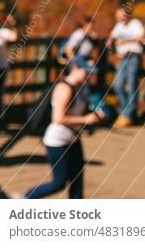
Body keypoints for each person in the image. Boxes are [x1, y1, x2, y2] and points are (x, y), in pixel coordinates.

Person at [21, 58, 102, 199]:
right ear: (75, 68)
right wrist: (85, 120)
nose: (89, 76)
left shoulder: (81, 86)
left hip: (73, 139)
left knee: (77, 180)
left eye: (91, 73)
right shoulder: (64, 88)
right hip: (57, 141)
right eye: (86, 72)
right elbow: (58, 118)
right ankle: (27, 198)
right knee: (59, 183)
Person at [106, 8, 145, 128]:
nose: (120, 20)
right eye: (118, 18)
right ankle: (124, 113)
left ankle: (128, 116)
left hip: (133, 57)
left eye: (121, 17)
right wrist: (110, 40)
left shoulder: (136, 24)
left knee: (131, 86)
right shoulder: (119, 25)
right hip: (122, 59)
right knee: (117, 85)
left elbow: (142, 37)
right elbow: (113, 35)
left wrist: (125, 41)